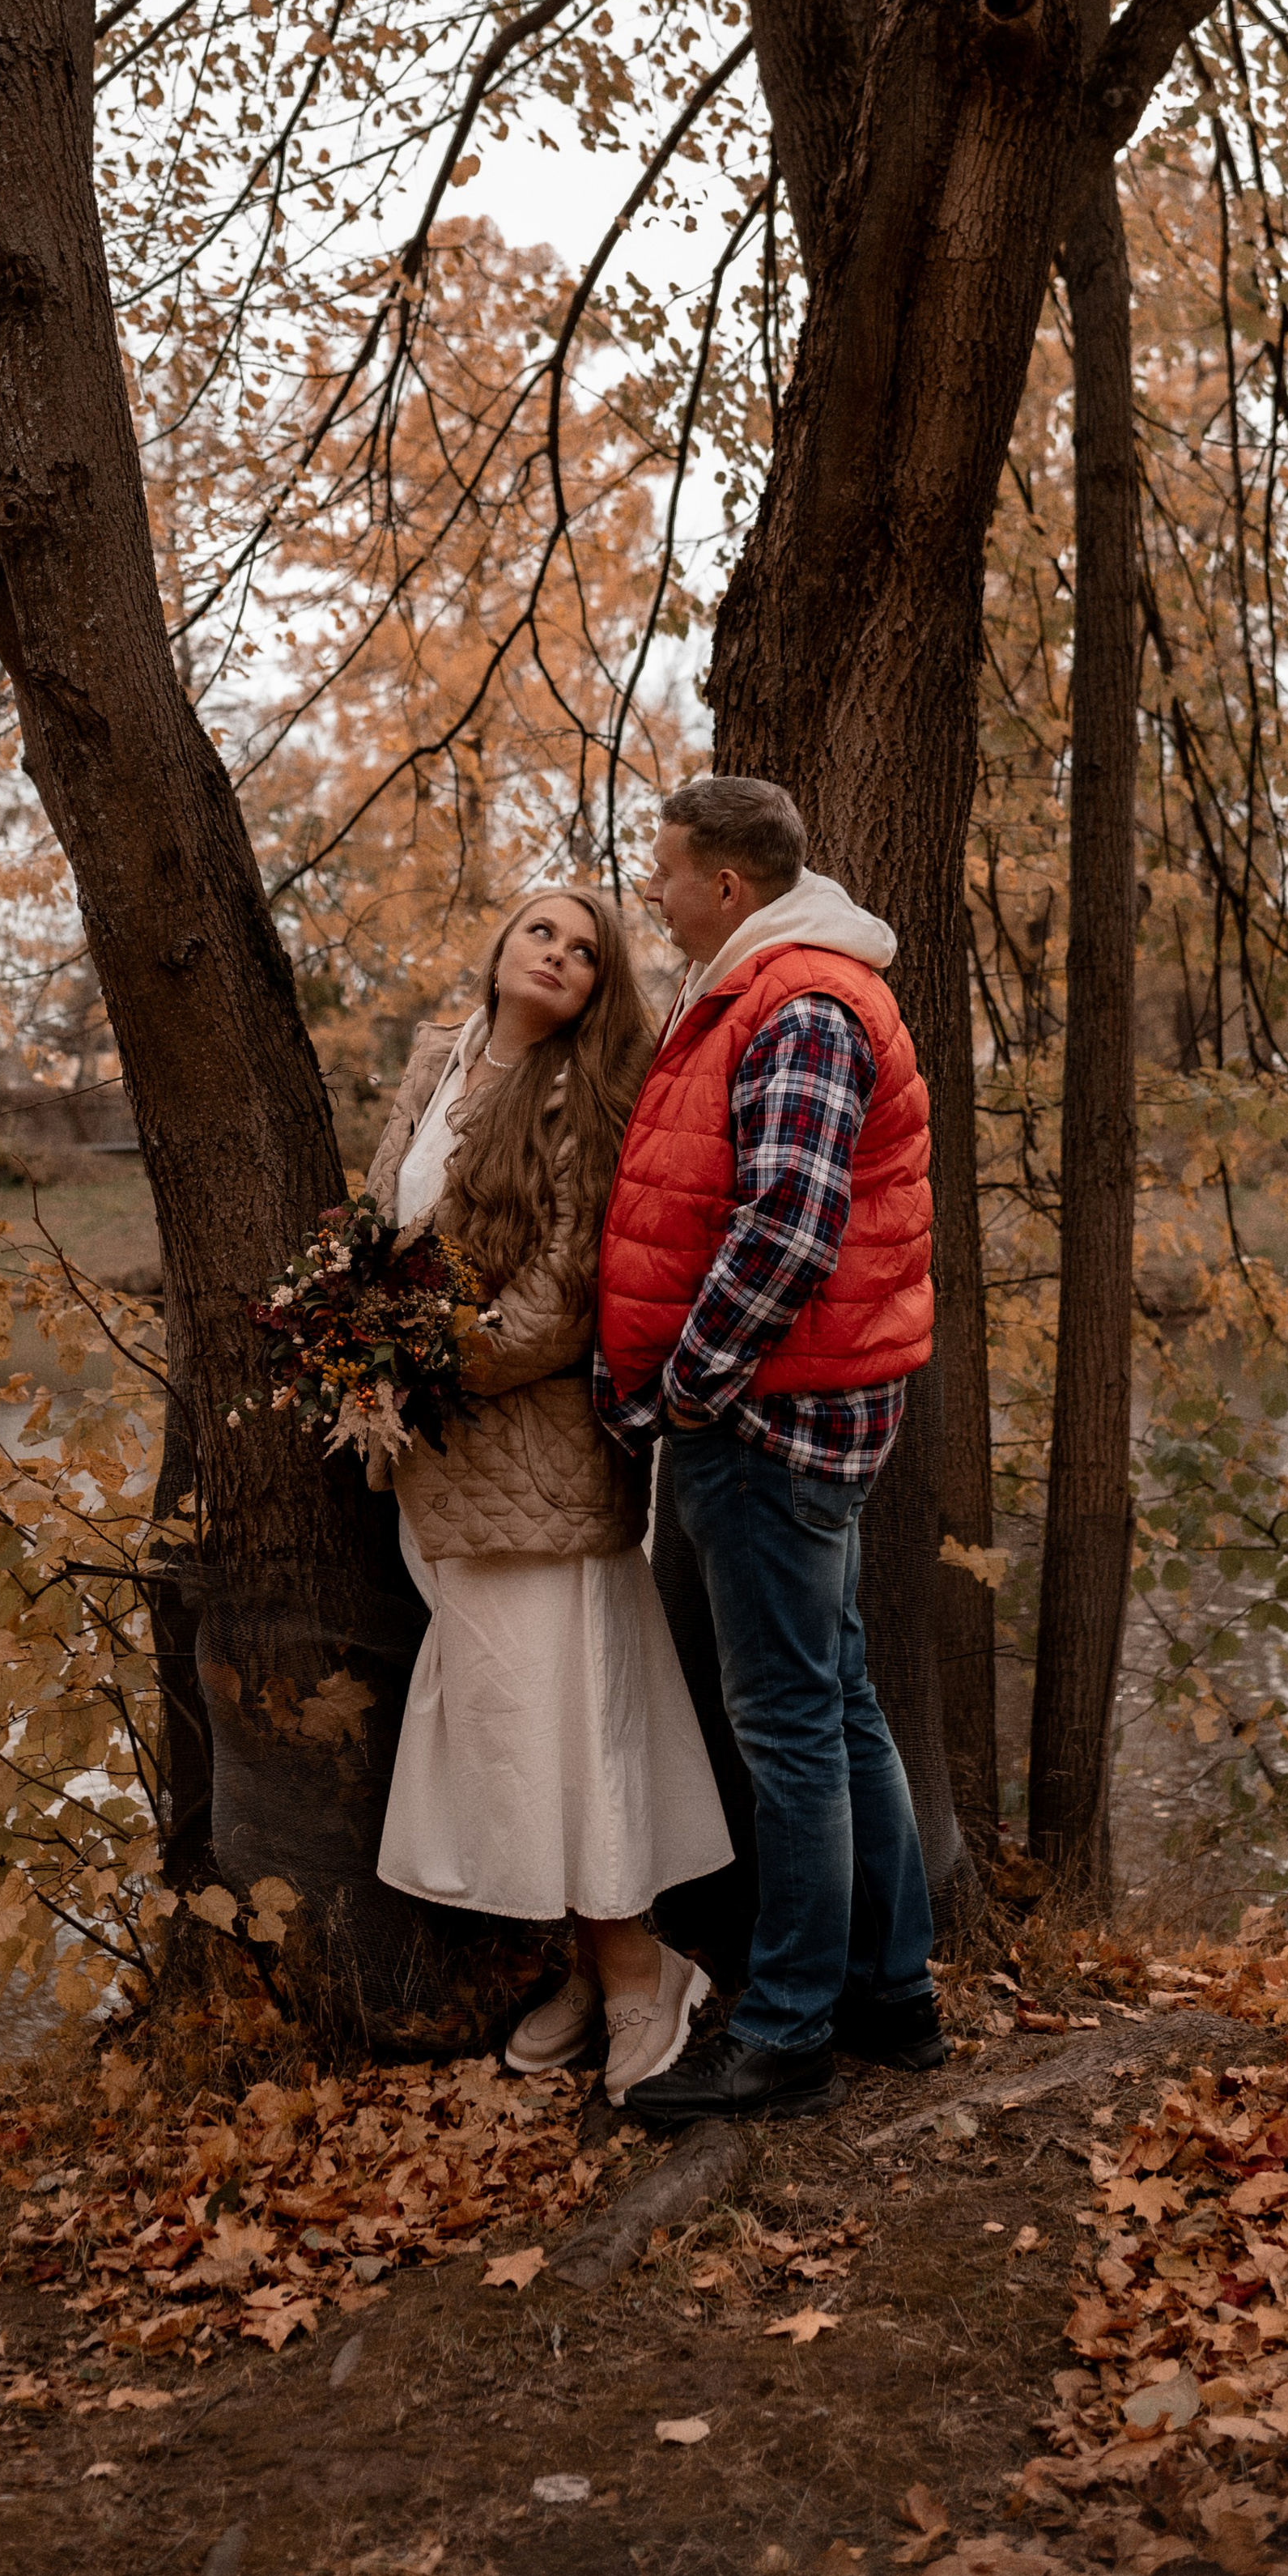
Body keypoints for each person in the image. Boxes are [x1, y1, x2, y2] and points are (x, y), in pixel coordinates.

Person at [593, 776, 943, 2121]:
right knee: (837, 1696)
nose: (656, 893)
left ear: (725, 887)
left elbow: (788, 1230)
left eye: (667, 872)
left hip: (766, 1416)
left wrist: (685, 1389)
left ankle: (790, 2031)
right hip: (790, 1406)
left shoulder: (796, 1001)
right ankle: (891, 1996)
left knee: (789, 1722)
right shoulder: (775, 986)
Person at [367, 883, 733, 2102]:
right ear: (501, 942)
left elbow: (562, 1294)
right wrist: (363, 1345)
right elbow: (382, 1224)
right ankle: (592, 1965)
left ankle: (645, 1975)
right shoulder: (439, 1058)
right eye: (543, 931)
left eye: (587, 949)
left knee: (565, 1717)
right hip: (434, 1458)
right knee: (509, 1722)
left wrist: (423, 1362)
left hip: (535, 1447)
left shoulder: (585, 1099)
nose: (561, 955)